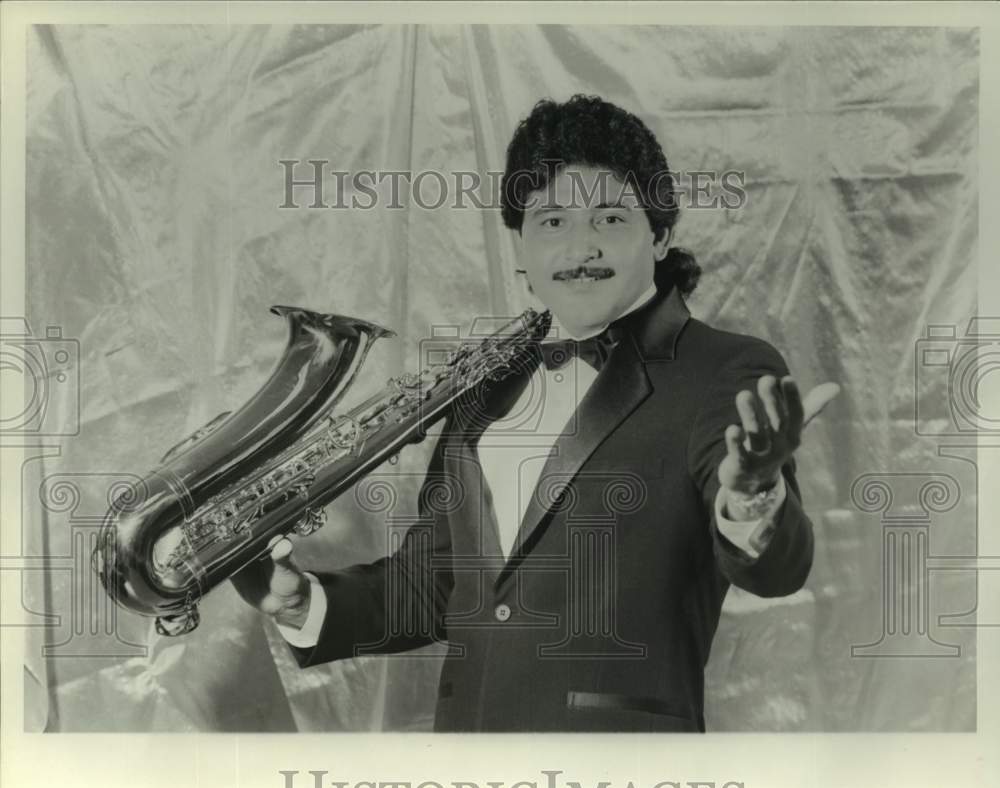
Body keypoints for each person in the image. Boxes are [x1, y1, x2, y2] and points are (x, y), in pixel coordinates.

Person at [233, 95, 840, 732]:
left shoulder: (725, 370)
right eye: (551, 221)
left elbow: (780, 569)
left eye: (609, 217)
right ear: (520, 246)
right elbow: (433, 587)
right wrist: (302, 600)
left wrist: (753, 496)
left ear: (659, 235)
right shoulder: (481, 385)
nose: (580, 247)